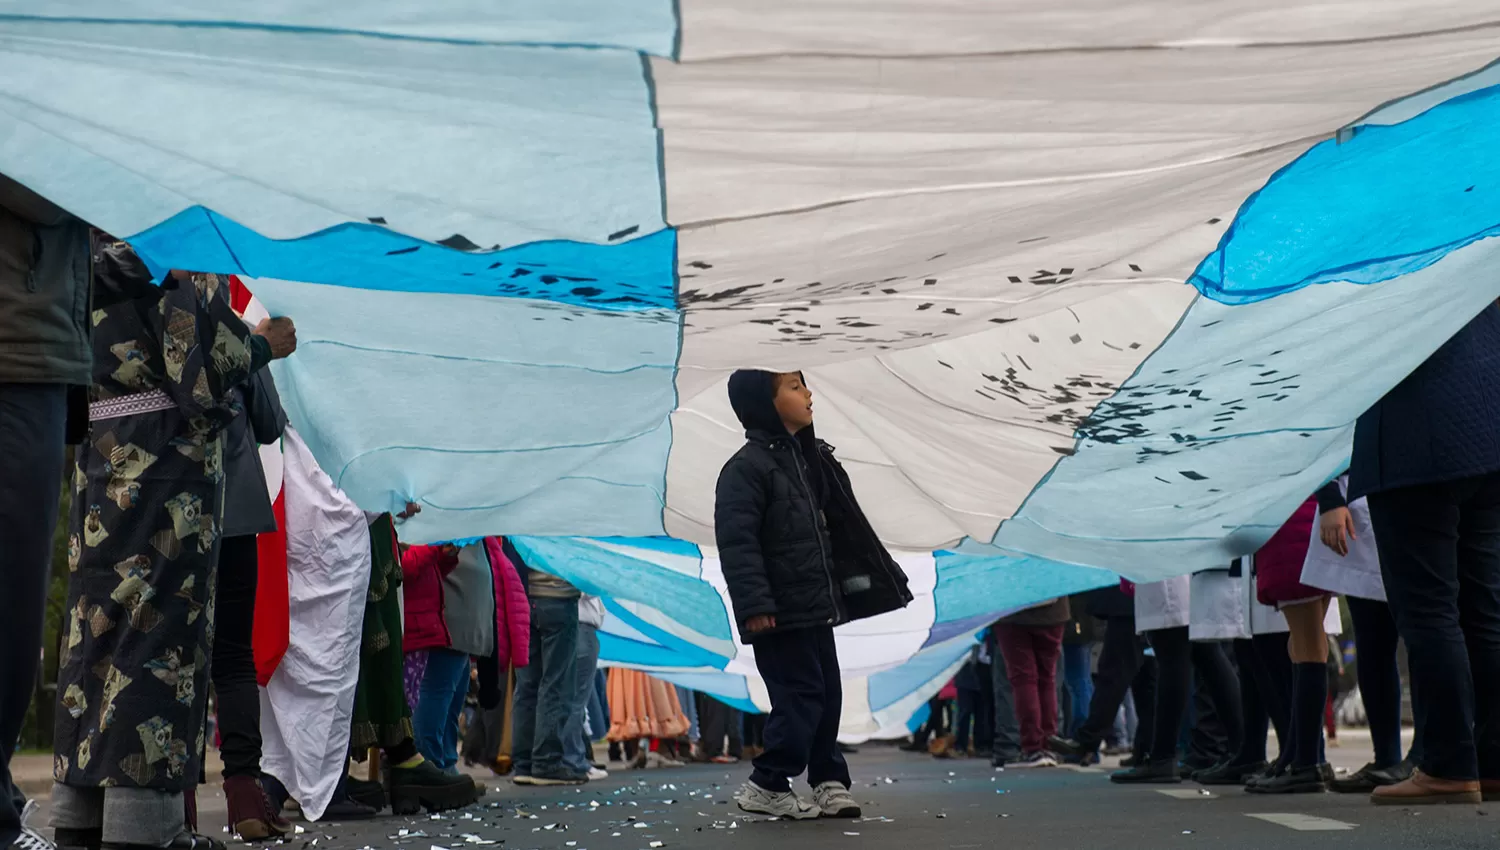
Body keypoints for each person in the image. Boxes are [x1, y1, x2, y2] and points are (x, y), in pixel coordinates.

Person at [51, 250, 296, 850]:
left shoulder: (84, 233)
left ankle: (78, 814)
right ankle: (145, 825)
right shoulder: (175, 236)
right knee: (155, 632)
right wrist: (262, 346)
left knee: (93, 634)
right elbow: (200, 377)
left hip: (97, 458)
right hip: (164, 469)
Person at [715, 369, 912, 820]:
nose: (808, 394)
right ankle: (768, 781)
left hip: (815, 606)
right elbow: (738, 544)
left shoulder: (809, 462)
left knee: (828, 693)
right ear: (765, 401)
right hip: (778, 611)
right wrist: (757, 606)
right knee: (801, 694)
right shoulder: (745, 469)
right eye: (794, 386)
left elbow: (842, 527)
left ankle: (827, 780)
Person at [1349, 304, 1500, 806]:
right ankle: (1492, 760)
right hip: (1486, 427)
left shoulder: (1380, 243)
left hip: (1412, 432)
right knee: (1484, 610)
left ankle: (1448, 764)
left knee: (1429, 610)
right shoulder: (1471, 231)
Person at [1, 173, 92, 850]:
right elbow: (49, 179)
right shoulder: (35, 101)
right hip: (17, 357)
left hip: (31, 353)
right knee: (11, 601)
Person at [1302, 472, 1423, 793]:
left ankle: (1427, 755)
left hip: (1417, 493)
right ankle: (1387, 757)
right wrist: (1328, 498)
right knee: (1373, 640)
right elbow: (1325, 430)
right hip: (1361, 499)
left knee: (1426, 633)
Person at [214, 367, 291, 839]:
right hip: (236, 509)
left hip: (163, 505)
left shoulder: (141, 304)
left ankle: (173, 805)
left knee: (172, 656)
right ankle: (245, 796)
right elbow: (269, 423)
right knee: (234, 658)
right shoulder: (238, 330)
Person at [508, 543, 588, 786]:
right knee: (555, 683)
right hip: (558, 598)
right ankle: (546, 761)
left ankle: (523, 763)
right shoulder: (564, 511)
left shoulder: (521, 507)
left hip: (524, 597)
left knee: (527, 685)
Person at [1050, 584, 1150, 766]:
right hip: (1140, 598)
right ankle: (1149, 748)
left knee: (1114, 673)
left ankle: (1088, 739)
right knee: (1145, 677)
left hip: (1131, 598)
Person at [995, 598, 1069, 768]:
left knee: (1023, 680)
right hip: (1053, 613)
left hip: (1012, 613)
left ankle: (1033, 746)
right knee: (1047, 679)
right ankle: (1049, 743)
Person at [563, 594, 608, 780]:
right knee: (575, 701)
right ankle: (574, 761)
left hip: (574, 625)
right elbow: (587, 588)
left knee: (568, 699)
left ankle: (571, 758)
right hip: (581, 626)